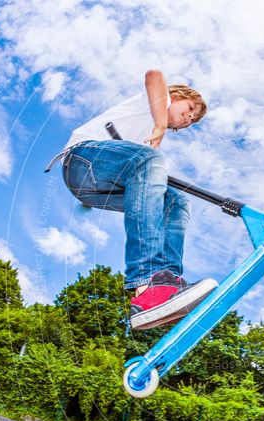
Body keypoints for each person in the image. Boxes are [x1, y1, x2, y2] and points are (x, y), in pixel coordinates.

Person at [47, 69, 217, 330]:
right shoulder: (156, 103)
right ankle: (146, 278)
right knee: (149, 159)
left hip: (99, 186)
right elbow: (154, 75)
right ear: (178, 95)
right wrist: (160, 125)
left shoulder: (147, 141)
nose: (189, 118)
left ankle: (166, 283)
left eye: (192, 120)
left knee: (175, 202)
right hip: (83, 157)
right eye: (191, 108)